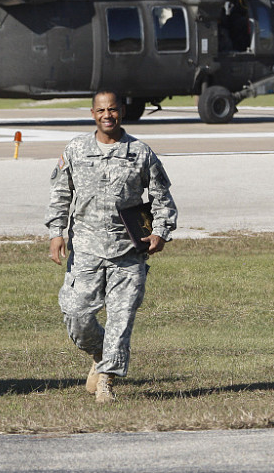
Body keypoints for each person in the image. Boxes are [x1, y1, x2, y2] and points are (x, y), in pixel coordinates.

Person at [45, 90, 177, 403]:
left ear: (122, 112)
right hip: (87, 250)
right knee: (76, 315)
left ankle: (106, 381)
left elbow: (162, 197)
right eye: (102, 110)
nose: (108, 115)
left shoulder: (140, 152)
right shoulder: (77, 149)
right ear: (93, 114)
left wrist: (160, 232)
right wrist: (56, 232)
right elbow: (61, 193)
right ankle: (100, 354)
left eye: (113, 109)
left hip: (128, 252)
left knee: (121, 319)